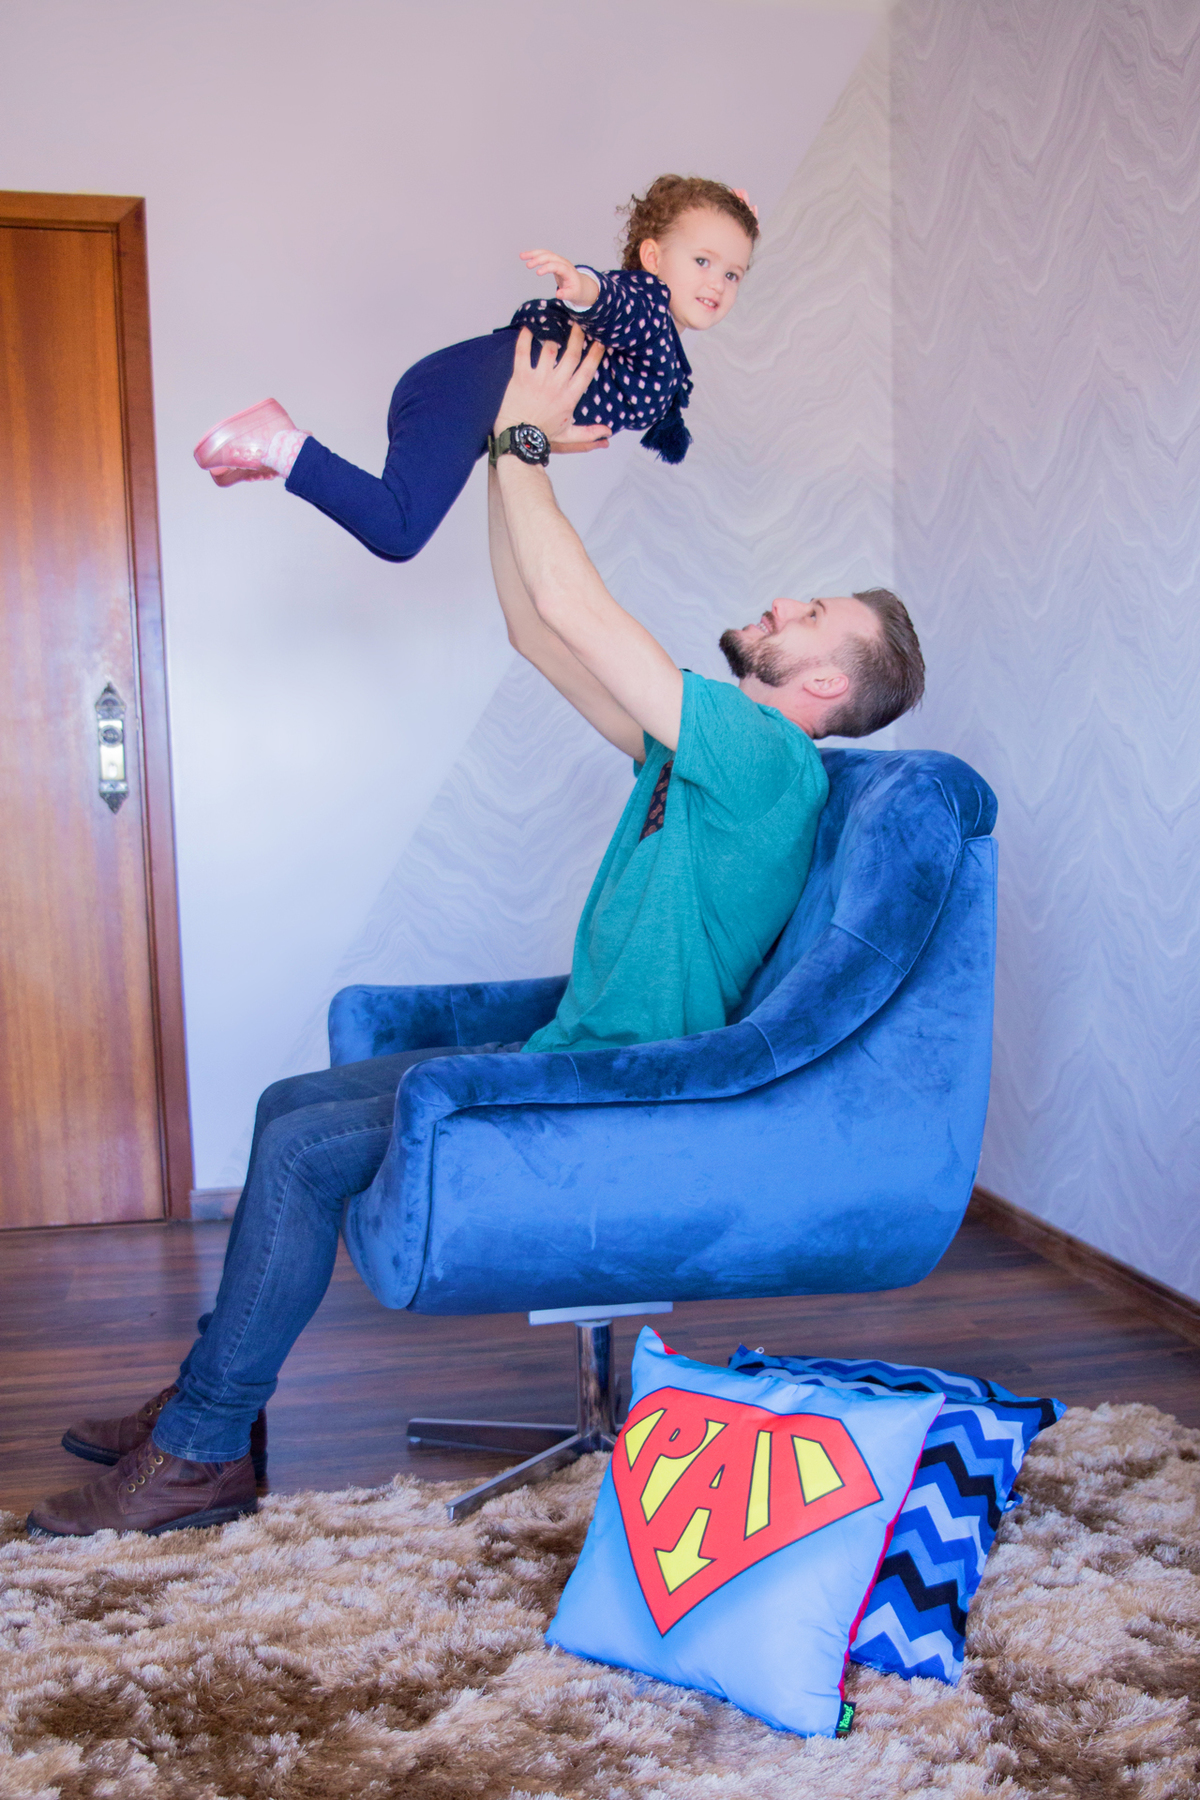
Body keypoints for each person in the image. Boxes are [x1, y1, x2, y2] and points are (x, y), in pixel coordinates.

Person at [28, 325, 924, 1538]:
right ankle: (211, 1402)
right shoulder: (701, 750)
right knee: (292, 1105)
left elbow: (574, 602)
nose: (780, 602)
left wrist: (523, 439)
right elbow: (537, 629)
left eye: (808, 613)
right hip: (572, 1049)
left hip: (618, 1083)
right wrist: (511, 454)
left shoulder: (768, 759)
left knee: (301, 1152)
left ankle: (200, 1452)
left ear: (824, 687)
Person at [192, 175, 758, 562]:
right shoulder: (647, 306)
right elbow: (615, 303)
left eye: (733, 273)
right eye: (703, 261)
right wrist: (581, 284)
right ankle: (279, 445)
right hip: (468, 388)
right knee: (400, 531)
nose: (717, 282)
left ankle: (277, 453)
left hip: (466, 392)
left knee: (398, 537)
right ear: (653, 258)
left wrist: (544, 433)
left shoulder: (666, 351)